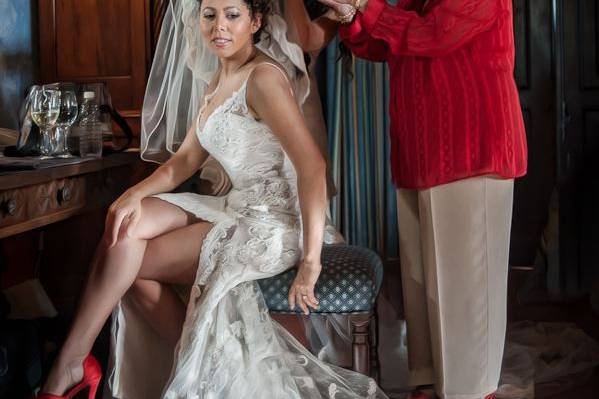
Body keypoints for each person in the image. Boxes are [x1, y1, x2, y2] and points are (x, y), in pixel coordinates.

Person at [38, 1, 387, 398]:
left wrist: (311, 261)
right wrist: (132, 194)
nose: (219, 26)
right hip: (237, 205)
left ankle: (83, 365)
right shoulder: (220, 79)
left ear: (255, 21)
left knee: (128, 264)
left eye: (232, 15)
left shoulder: (263, 77)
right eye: (209, 15)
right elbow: (186, 159)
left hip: (273, 222)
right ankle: (78, 361)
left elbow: (312, 168)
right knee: (128, 224)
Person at [314, 1, 528, 399]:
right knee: (422, 285)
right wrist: (349, 15)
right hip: (420, 148)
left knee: (465, 295)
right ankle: (427, 385)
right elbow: (384, 43)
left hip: (471, 147)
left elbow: (435, 34)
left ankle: (470, 392)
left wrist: (364, 4)